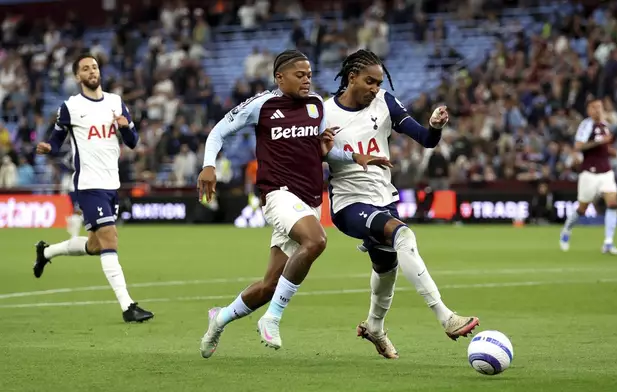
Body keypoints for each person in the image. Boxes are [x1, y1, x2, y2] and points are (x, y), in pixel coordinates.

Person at [198, 50, 390, 356]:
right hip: (278, 193)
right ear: (280, 77)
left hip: (309, 199)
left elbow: (322, 152)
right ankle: (272, 319)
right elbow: (219, 130)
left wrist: (353, 156)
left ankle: (218, 319)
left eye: (310, 75)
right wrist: (209, 165)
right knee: (316, 241)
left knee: (269, 286)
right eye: (299, 75)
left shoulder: (316, 106)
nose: (306, 80)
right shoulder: (263, 104)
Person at [323, 49, 479, 359]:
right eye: (369, 81)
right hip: (348, 202)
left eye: (379, 82)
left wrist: (435, 125)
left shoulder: (385, 103)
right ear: (352, 78)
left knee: (386, 266)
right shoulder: (325, 113)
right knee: (403, 235)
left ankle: (374, 327)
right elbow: (313, 155)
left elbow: (426, 140)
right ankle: (446, 317)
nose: (375, 88)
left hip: (384, 197)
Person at [33, 54, 153, 323]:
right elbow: (56, 138)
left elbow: (133, 142)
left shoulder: (115, 102)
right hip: (88, 184)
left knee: (96, 245)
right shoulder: (71, 106)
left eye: (94, 67)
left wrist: (127, 126)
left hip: (112, 184)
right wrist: (49, 147)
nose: (91, 71)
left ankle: (46, 252)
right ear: (78, 77)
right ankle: (128, 306)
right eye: (85, 69)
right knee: (110, 239)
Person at [560, 99, 617, 254]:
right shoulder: (586, 125)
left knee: (613, 203)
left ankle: (608, 242)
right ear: (588, 110)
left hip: (606, 171)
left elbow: (606, 146)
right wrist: (599, 141)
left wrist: (610, 151)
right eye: (594, 107)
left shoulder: (606, 125)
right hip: (589, 172)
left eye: (600, 107)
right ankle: (567, 229)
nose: (598, 110)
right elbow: (579, 146)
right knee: (582, 208)